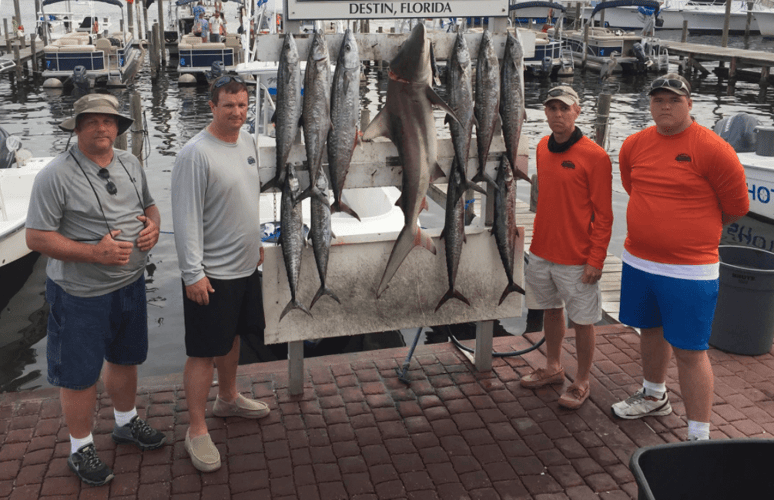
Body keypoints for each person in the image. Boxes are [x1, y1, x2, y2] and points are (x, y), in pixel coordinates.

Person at [26, 94, 165, 487]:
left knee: (125, 358)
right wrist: (94, 253)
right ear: (77, 127)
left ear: (119, 126)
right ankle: (80, 446)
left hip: (130, 284)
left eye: (109, 120)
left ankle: (125, 422)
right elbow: (36, 237)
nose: (102, 127)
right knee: (79, 374)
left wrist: (153, 226)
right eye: (92, 121)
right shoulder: (54, 175)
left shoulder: (131, 162)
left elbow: (151, 207)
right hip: (78, 293)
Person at [612, 74, 749, 440]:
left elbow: (736, 207)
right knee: (649, 331)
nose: (665, 106)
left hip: (690, 270)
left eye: (674, 99)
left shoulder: (714, 148)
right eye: (658, 99)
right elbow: (631, 185)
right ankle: (654, 395)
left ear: (690, 103)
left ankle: (698, 435)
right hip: (639, 262)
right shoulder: (634, 144)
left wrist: (689, 229)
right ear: (650, 104)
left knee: (691, 350)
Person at [171, 75, 270, 473]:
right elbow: (186, 217)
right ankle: (195, 429)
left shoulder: (246, 142)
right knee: (201, 353)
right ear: (212, 106)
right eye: (229, 105)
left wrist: (255, 240)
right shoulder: (195, 154)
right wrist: (192, 273)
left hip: (245, 266)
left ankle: (227, 398)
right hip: (211, 273)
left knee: (231, 339)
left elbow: (244, 197)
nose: (237, 113)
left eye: (243, 105)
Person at [520, 86, 614, 410]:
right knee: (550, 310)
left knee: (584, 320)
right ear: (545, 112)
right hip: (542, 250)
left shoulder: (596, 157)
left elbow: (604, 215)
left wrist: (596, 259)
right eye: (551, 108)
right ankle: (553, 367)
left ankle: (582, 380)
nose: (557, 115)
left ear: (577, 111)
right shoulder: (543, 148)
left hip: (577, 257)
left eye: (564, 108)